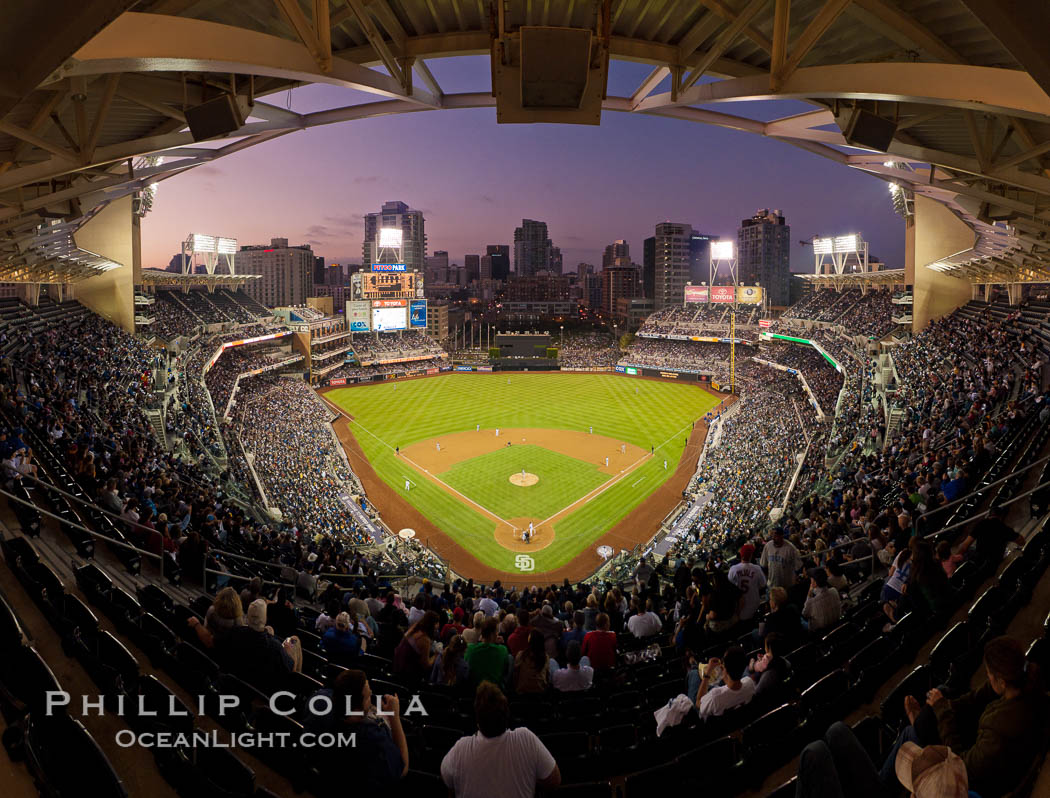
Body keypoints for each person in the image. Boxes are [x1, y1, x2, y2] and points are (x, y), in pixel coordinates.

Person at [441, 682, 560, 798]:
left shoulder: (460, 749)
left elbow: (447, 781)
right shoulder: (526, 739)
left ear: (478, 721)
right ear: (507, 714)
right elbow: (554, 781)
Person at [302, 669, 408, 792]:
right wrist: (394, 717)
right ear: (356, 710)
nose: (372, 694)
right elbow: (403, 769)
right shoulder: (371, 739)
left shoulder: (320, 700)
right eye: (368, 697)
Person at [694, 645, 755, 719]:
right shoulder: (750, 683)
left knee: (693, 673)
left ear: (725, 670)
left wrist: (707, 674)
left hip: (706, 714)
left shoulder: (714, 697)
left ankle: (693, 666)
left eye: (723, 661)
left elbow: (698, 703)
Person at [956, 506, 1025, 570]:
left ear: (989, 515)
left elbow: (965, 545)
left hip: (980, 559)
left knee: (962, 547)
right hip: (994, 561)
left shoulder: (981, 524)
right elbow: (1022, 542)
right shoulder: (1004, 528)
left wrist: (954, 560)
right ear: (1001, 517)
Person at [392, 610, 439, 683]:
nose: (438, 625)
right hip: (407, 675)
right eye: (437, 623)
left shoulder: (415, 628)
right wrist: (436, 656)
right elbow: (426, 665)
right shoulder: (424, 639)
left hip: (396, 666)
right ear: (432, 624)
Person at [465, 617, 511, 689]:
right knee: (510, 658)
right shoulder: (503, 650)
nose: (498, 633)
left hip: (473, 690)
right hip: (495, 691)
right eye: (497, 631)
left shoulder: (470, 649)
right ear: (493, 634)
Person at [728, 543, 766, 622]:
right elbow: (763, 584)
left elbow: (729, 589)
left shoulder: (733, 569)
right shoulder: (757, 568)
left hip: (739, 609)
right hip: (754, 606)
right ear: (751, 555)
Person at [802, 568, 842, 635]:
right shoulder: (834, 591)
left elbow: (804, 614)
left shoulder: (812, 602)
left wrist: (809, 595)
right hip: (836, 627)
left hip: (819, 634)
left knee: (801, 620)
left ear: (814, 582)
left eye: (811, 579)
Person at [512, 630, 550, 694]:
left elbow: (515, 675)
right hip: (540, 694)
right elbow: (547, 677)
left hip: (521, 693)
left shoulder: (521, 655)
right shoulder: (545, 657)